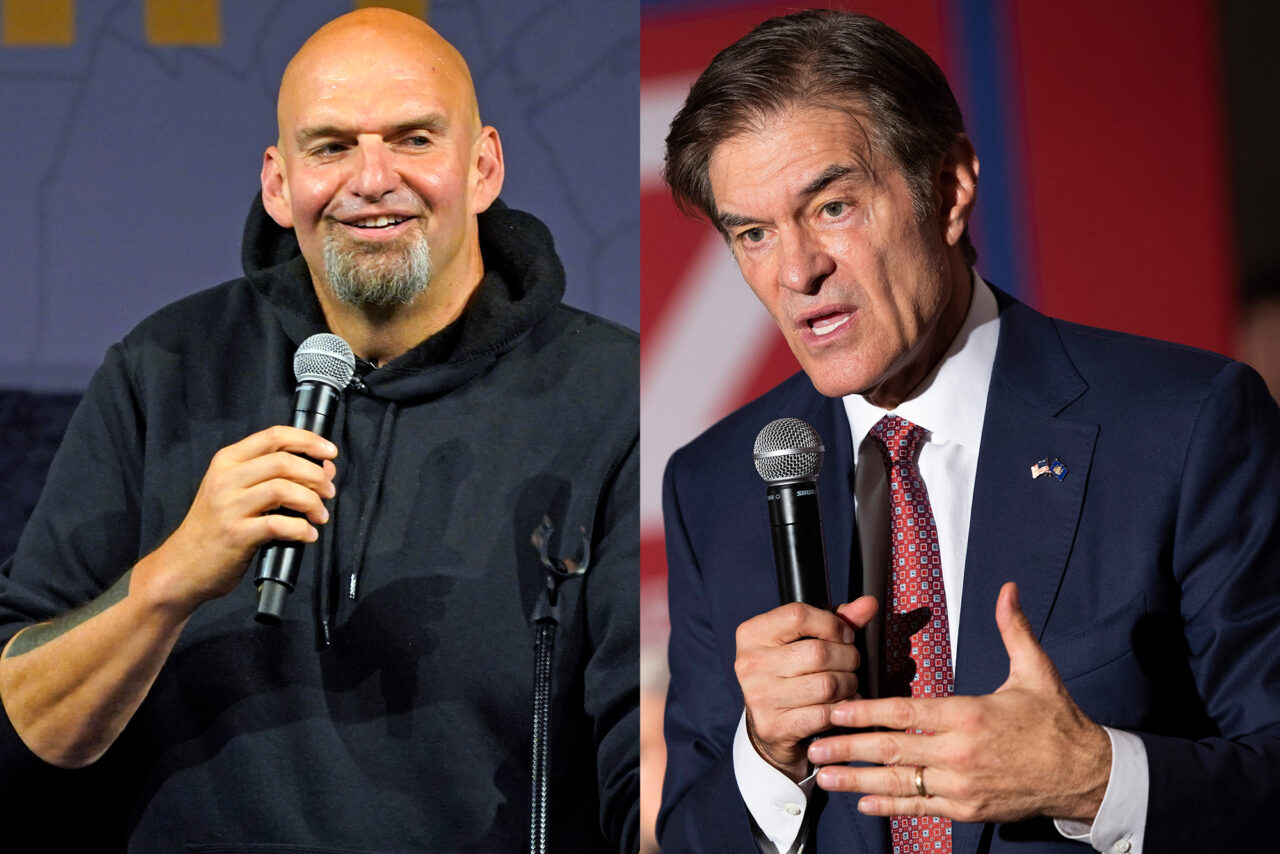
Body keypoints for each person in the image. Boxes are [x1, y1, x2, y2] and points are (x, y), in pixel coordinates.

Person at [0, 9, 638, 852]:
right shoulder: (162, 369)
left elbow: (654, 758)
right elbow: (25, 733)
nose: (371, 179)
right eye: (331, 146)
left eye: (413, 139)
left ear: (483, 166)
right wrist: (171, 579)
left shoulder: (614, 394)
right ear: (277, 182)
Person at [657, 10, 1280, 854]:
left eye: (833, 206)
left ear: (948, 189)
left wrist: (1097, 779)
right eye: (754, 233)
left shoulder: (1184, 425)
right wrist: (769, 758)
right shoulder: (715, 486)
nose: (796, 271)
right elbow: (689, 834)